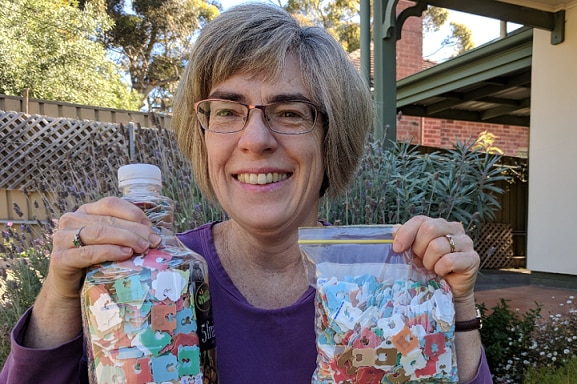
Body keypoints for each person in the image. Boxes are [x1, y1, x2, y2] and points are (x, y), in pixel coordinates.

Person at [0, 4, 492, 383]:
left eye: (291, 113)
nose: (256, 140)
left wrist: (458, 299)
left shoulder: (389, 278)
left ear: (332, 140)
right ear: (203, 135)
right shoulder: (151, 278)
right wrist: (60, 291)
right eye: (228, 111)